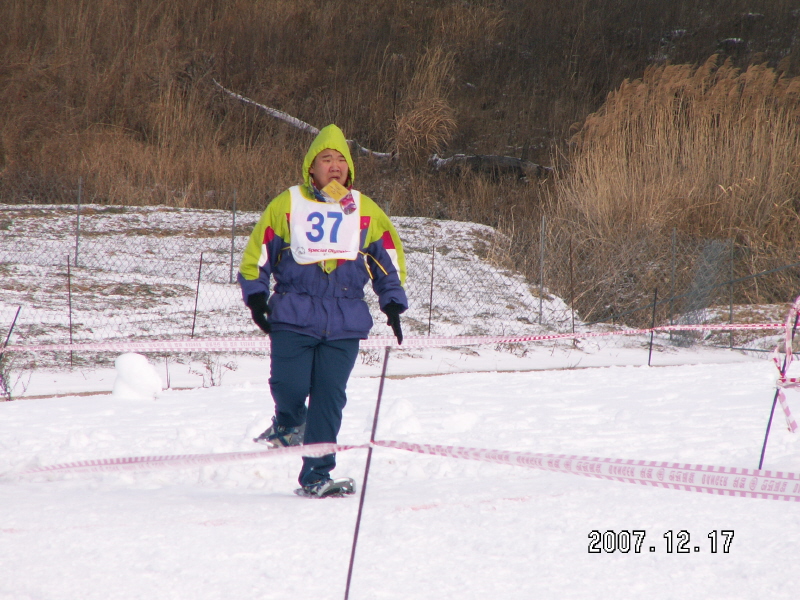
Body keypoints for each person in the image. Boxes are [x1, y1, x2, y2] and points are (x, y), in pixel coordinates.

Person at [237, 124, 408, 497]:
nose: (334, 167)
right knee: (289, 387)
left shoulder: (364, 210)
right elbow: (257, 254)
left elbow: (386, 260)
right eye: (326, 159)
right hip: (294, 315)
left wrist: (392, 302)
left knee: (330, 399)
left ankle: (316, 476)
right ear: (310, 169)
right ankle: (289, 422)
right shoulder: (288, 204)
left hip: (345, 321)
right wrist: (256, 296)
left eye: (341, 161)